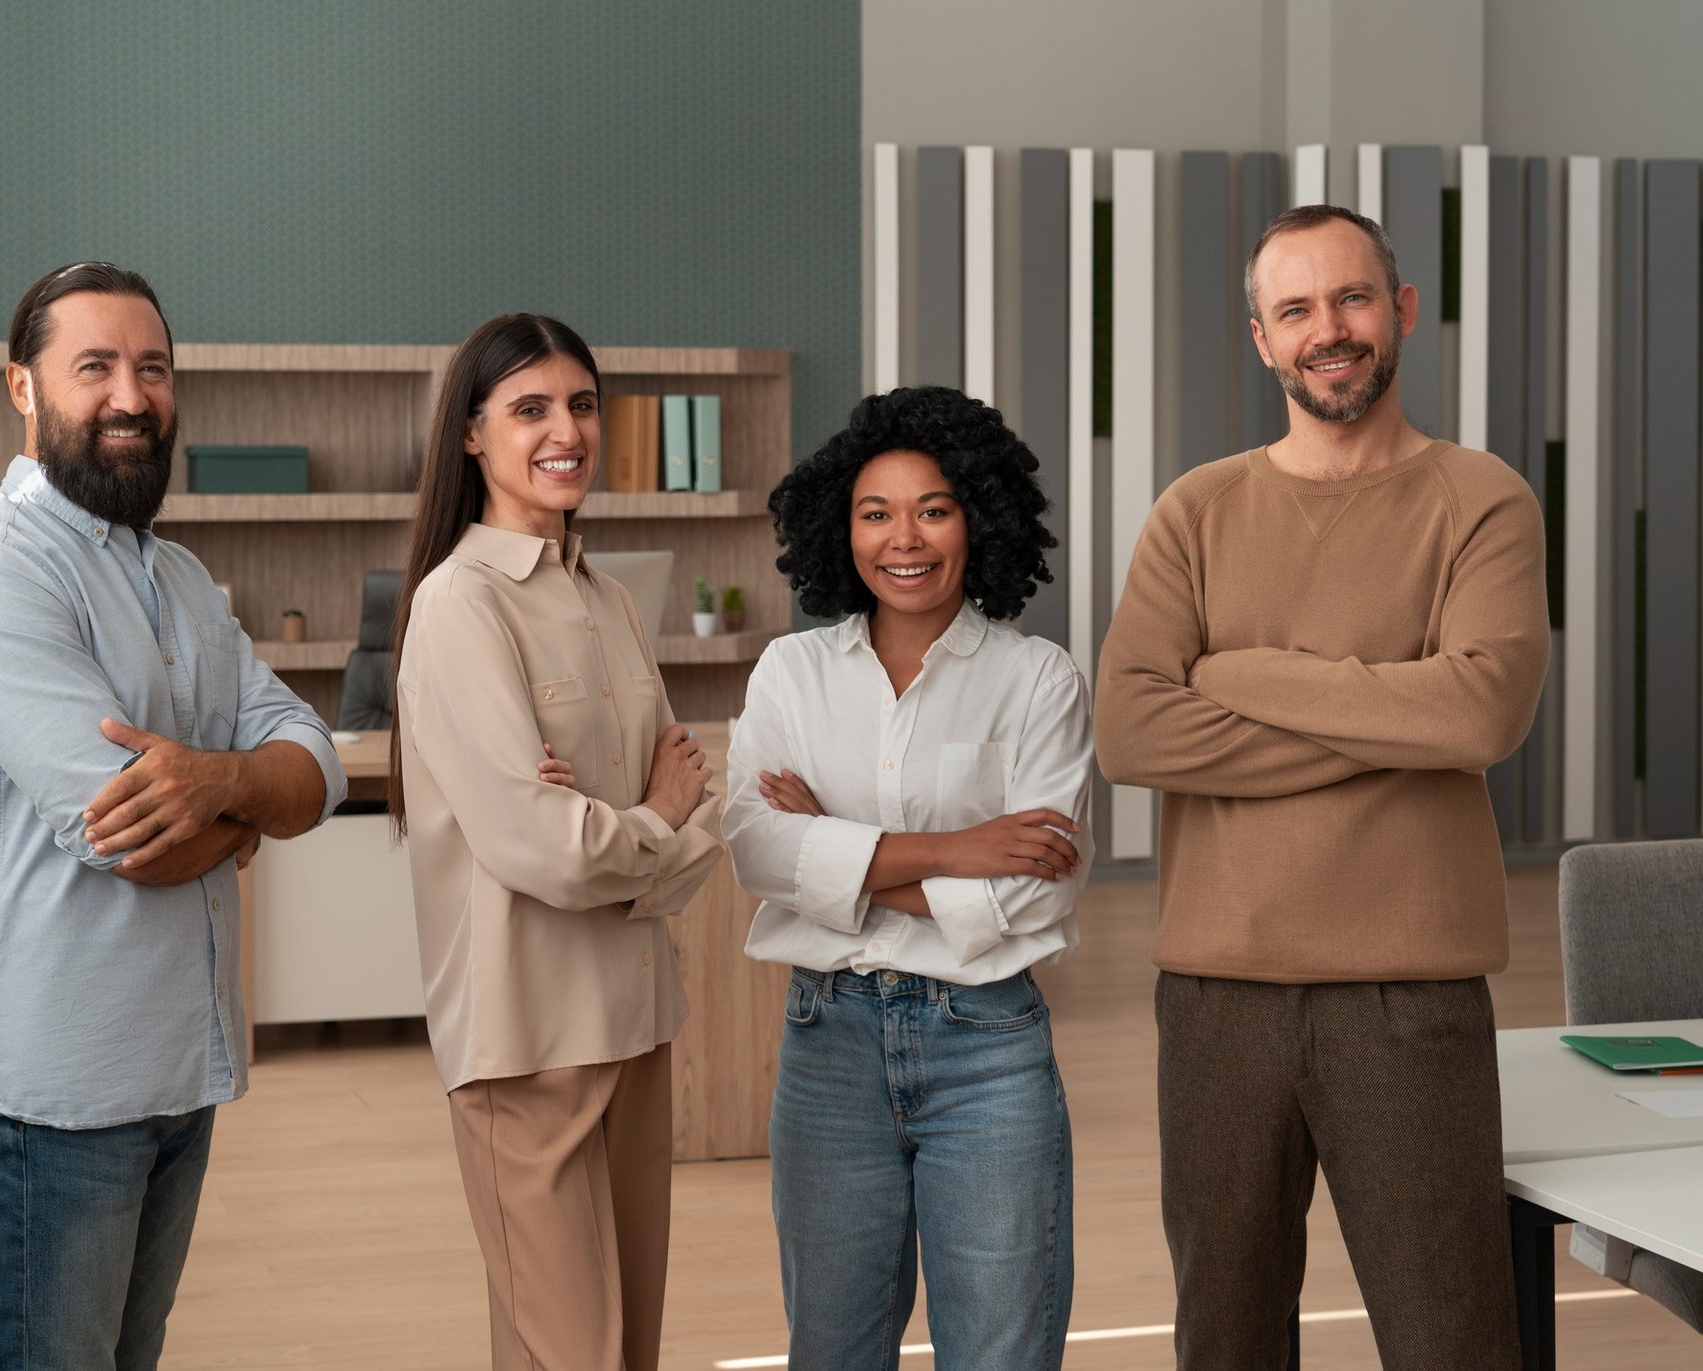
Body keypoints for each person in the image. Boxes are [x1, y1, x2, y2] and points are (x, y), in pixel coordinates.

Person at [1095, 205, 1549, 1369]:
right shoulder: (1197, 511)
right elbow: (1132, 731)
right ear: (1262, 339)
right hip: (1216, 1001)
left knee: (1453, 1339)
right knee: (1226, 1342)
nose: (1328, 330)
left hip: (1412, 996)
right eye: (1295, 309)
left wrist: (1242, 676)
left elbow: (1480, 714)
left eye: (1351, 298)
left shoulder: (1483, 500)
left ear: (1402, 310)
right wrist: (1398, 718)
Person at [0, 261, 346, 1370]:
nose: (130, 395)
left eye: (152, 368)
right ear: (22, 387)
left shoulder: (182, 579)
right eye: (94, 366)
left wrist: (218, 786)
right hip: (59, 1089)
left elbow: (314, 763)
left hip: (178, 1070)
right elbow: (132, 838)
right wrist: (246, 805)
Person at [722, 385, 1094, 1370]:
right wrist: (954, 848)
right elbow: (756, 850)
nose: (905, 539)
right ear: (839, 528)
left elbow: (1037, 888)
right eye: (875, 512)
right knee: (833, 1349)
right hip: (827, 1046)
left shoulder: (1039, 679)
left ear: (979, 517)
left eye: (933, 509)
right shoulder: (790, 673)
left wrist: (830, 847)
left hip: (989, 1049)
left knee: (1002, 1351)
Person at [389, 313, 724, 1371]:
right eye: (529, 408)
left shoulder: (610, 598)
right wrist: (652, 820)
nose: (565, 431)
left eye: (581, 404)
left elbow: (698, 812)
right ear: (472, 434)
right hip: (527, 1040)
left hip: (636, 1022)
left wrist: (633, 828)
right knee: (574, 1353)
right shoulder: (459, 604)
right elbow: (549, 849)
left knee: (620, 1350)